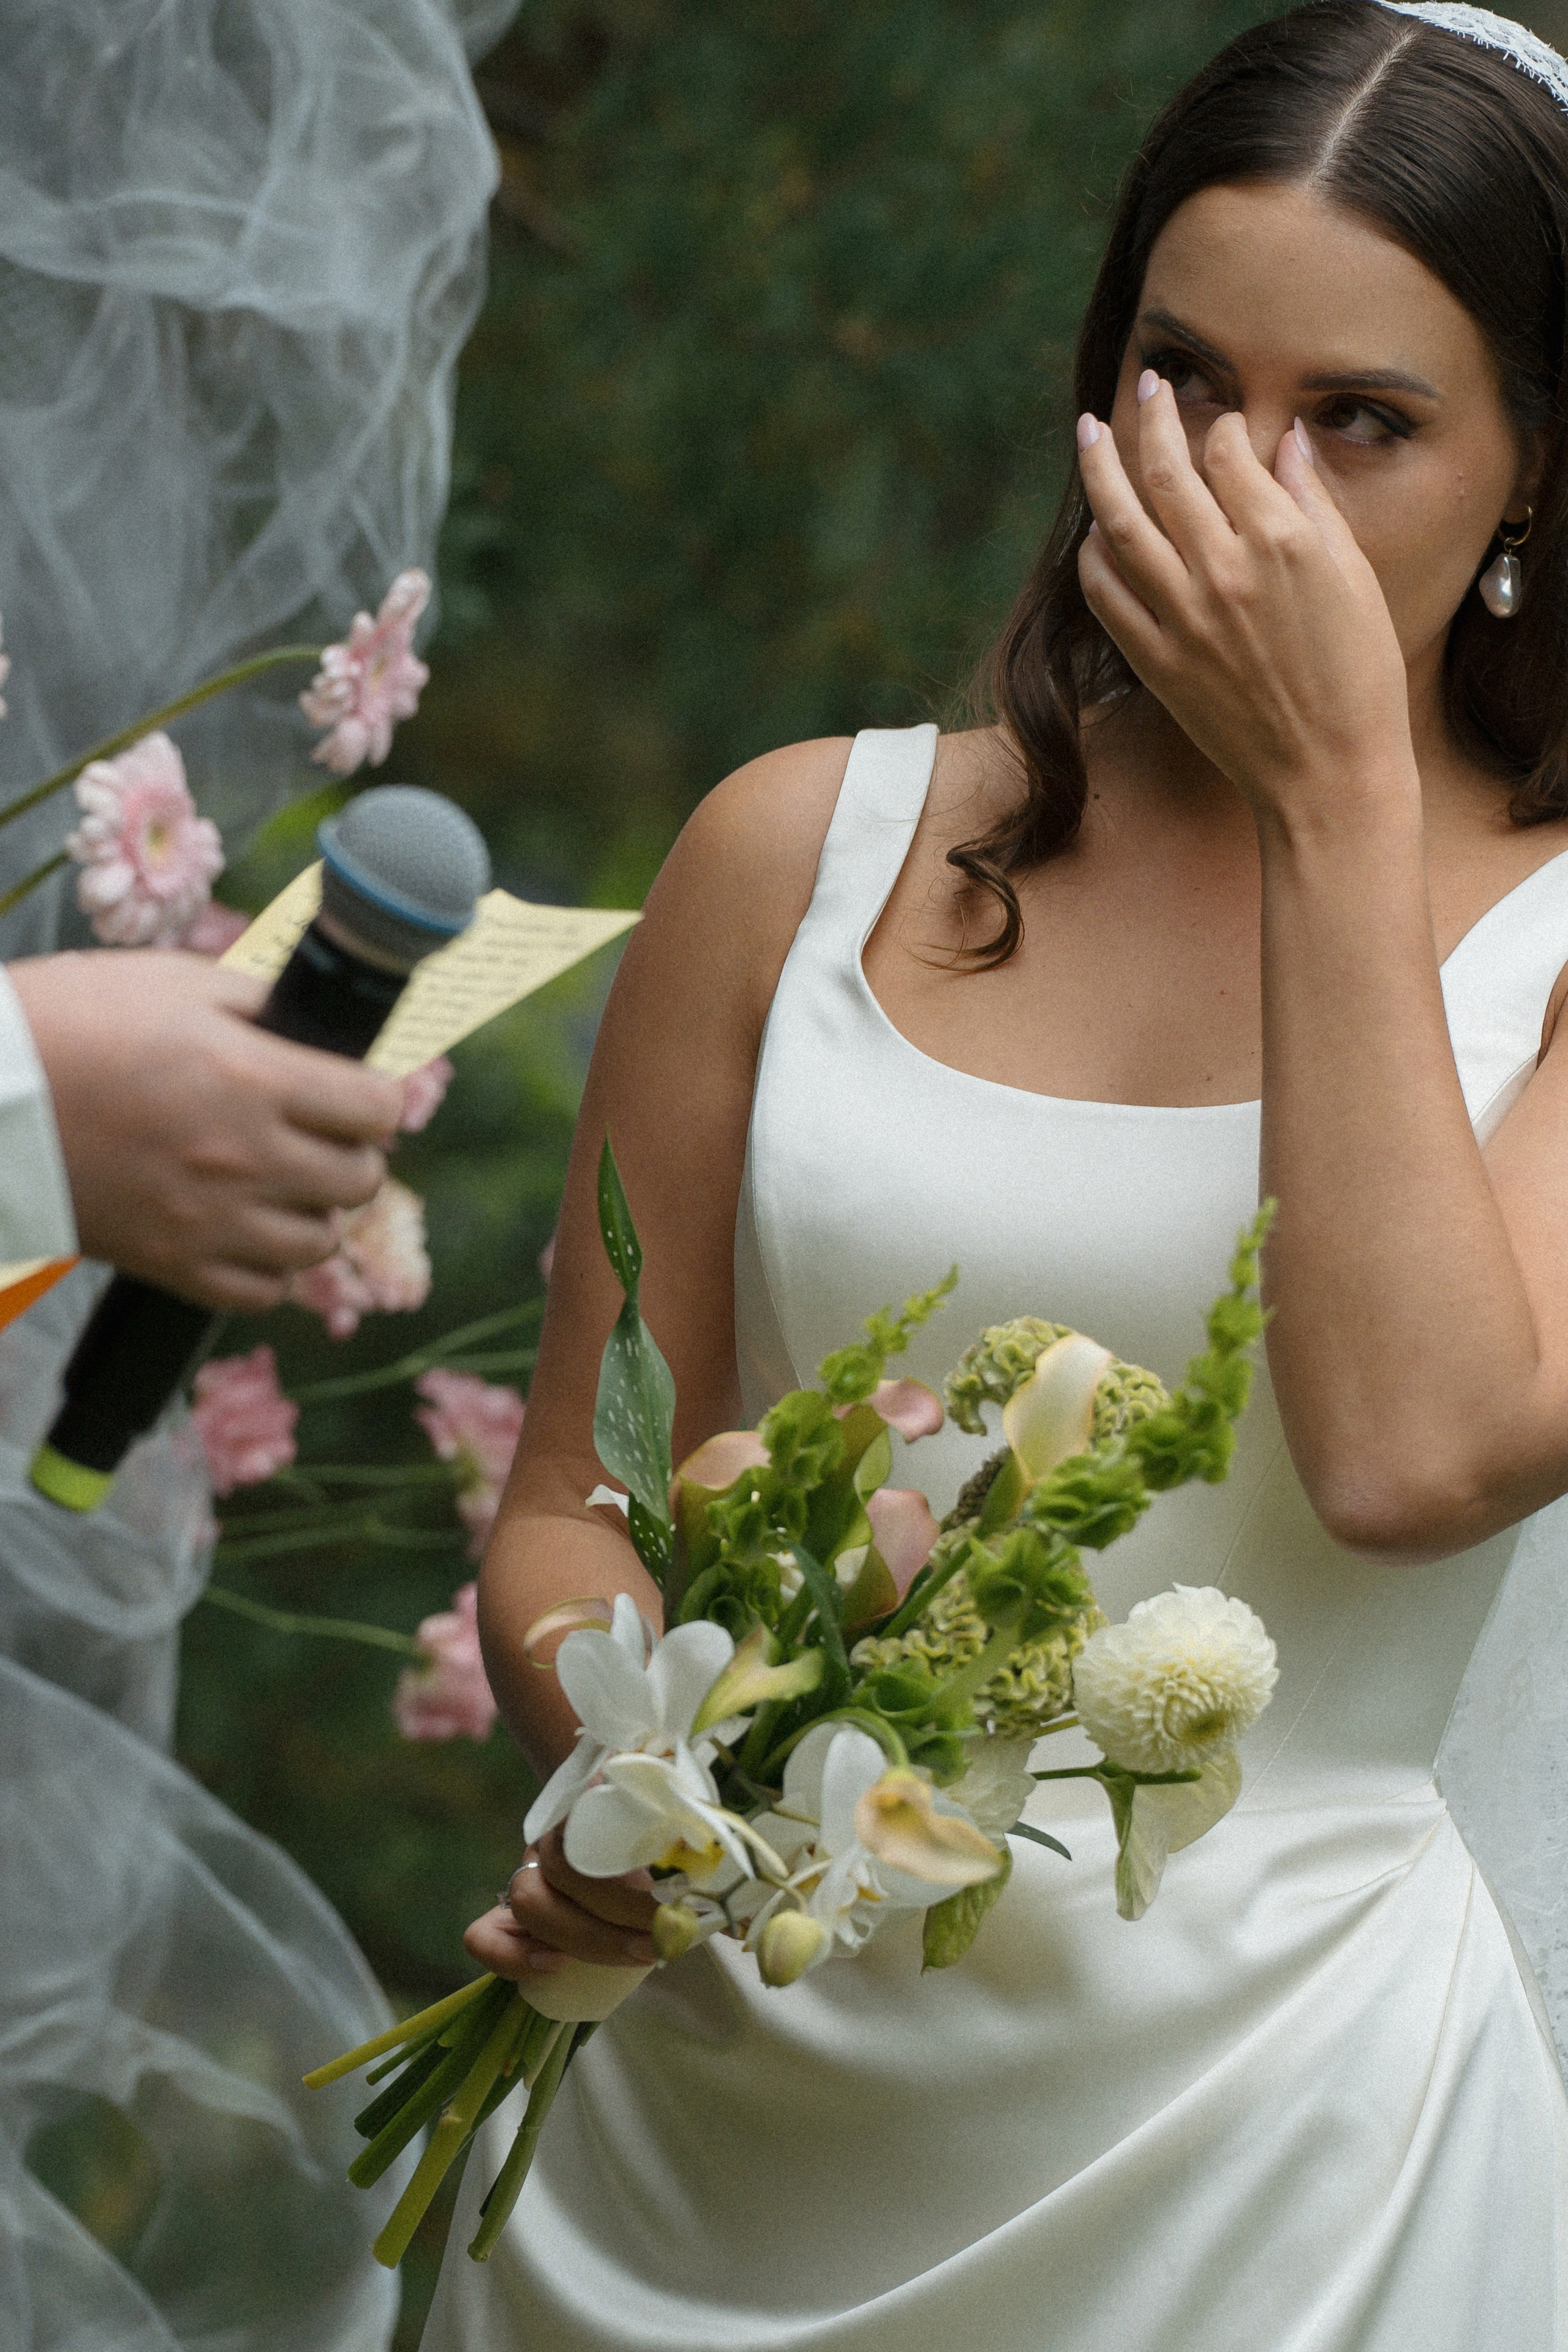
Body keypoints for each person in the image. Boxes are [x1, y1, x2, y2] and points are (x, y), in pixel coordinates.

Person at [425, 4, 1568, 2344]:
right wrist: (657, 1779)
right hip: (702, 2129)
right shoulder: (802, 850)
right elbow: (566, 1507)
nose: (1245, 487)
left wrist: (1341, 797)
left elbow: (1412, 1449)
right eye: (1185, 379)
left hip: (1279, 2178)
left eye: (1362, 422)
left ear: (1539, 467)